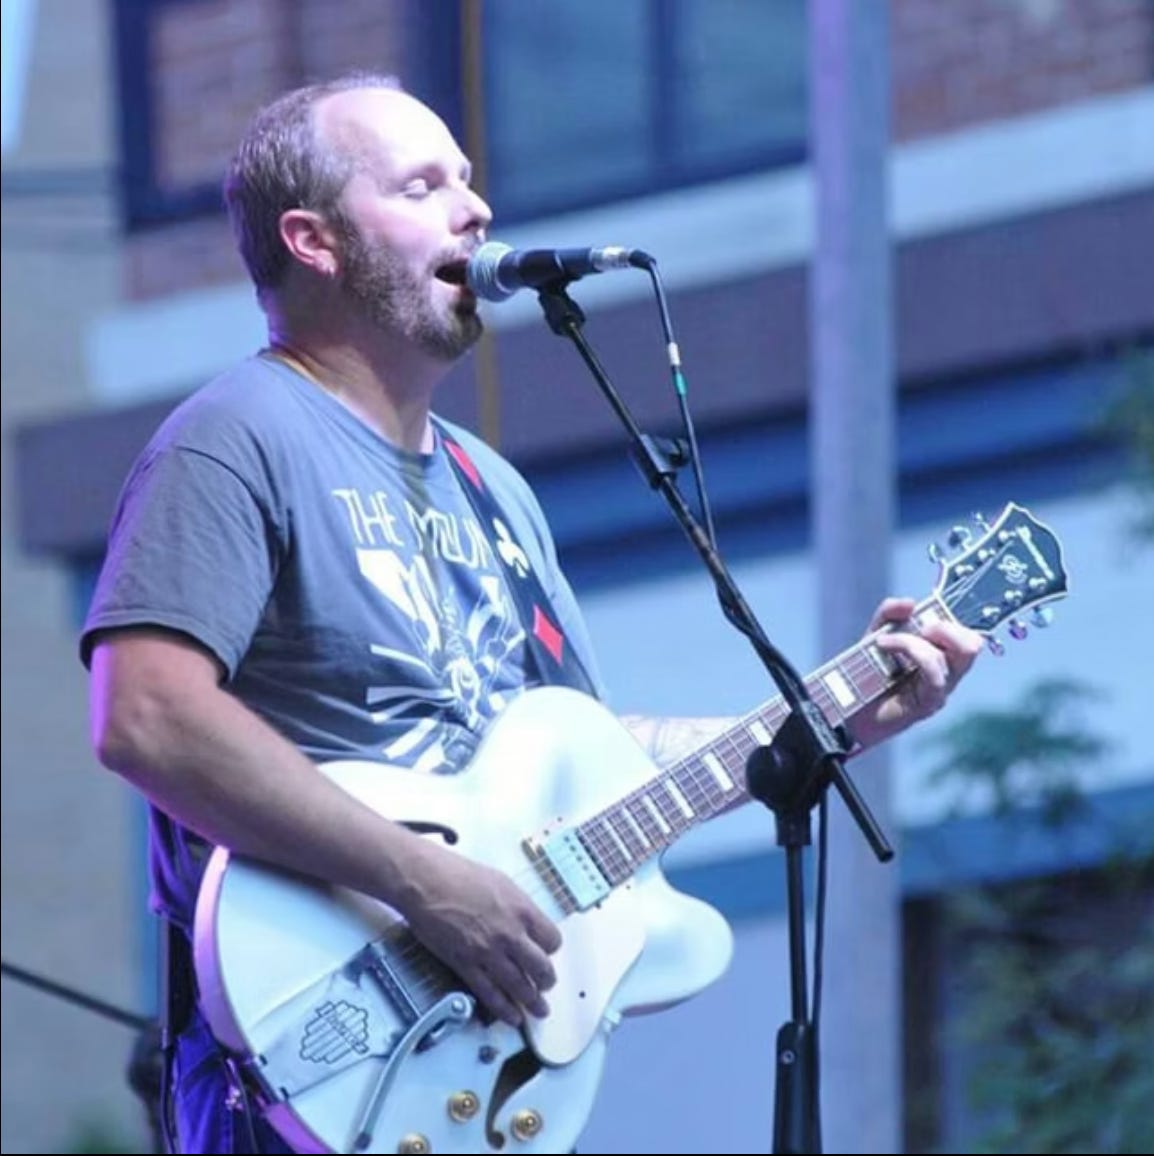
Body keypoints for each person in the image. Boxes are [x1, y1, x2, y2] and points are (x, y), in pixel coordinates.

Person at [81, 72, 982, 1154]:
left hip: (466, 1064)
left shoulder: (492, 489)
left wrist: (827, 720)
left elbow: (595, 757)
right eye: (422, 186)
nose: (475, 209)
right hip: (303, 1054)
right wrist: (422, 880)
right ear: (314, 242)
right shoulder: (235, 437)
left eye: (468, 180)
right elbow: (147, 717)